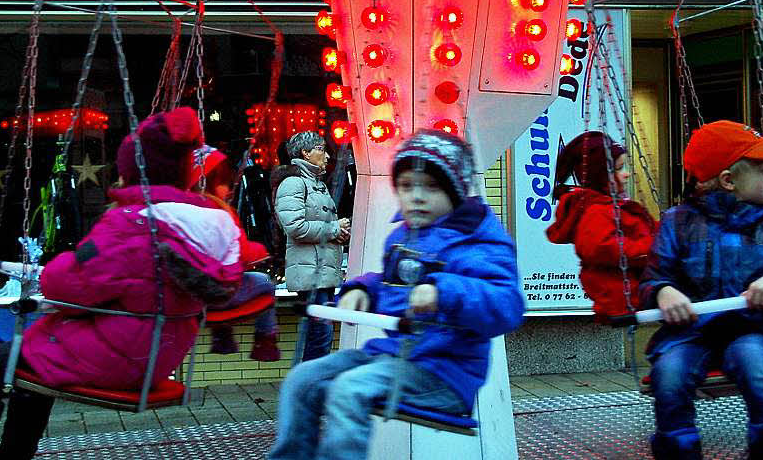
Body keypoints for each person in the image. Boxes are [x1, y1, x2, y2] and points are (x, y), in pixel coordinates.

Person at [0, 107, 242, 460]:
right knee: (27, 370)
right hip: (159, 355)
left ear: (133, 172)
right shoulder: (212, 225)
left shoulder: (132, 224)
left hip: (119, 358)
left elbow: (63, 285)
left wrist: (64, 263)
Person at [267, 129, 525, 460]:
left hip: (444, 372)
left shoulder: (477, 241)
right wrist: (361, 290)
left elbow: (507, 304)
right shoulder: (405, 236)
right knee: (302, 379)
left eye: (431, 187)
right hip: (393, 355)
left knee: (349, 389)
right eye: (406, 187)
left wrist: (445, 291)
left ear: (456, 190)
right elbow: (388, 282)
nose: (416, 197)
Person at [639, 120, 763, 460]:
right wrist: (663, 291)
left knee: (758, 369)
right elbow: (652, 278)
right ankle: (679, 450)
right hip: (692, 332)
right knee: (670, 376)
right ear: (728, 181)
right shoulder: (677, 222)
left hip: (755, 327)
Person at [545, 131, 657, 320]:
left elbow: (646, 229)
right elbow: (603, 247)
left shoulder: (616, 206)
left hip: (638, 285)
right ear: (602, 175)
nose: (627, 173)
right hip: (625, 293)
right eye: (620, 168)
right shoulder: (596, 212)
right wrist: (652, 247)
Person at [190, 145, 281, 360]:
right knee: (265, 282)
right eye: (224, 182)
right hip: (221, 292)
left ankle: (222, 335)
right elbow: (240, 250)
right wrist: (261, 252)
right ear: (212, 183)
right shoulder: (220, 213)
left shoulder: (183, 208)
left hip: (197, 294)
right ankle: (265, 340)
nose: (229, 188)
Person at [272, 130, 349, 361]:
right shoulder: (294, 184)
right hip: (311, 273)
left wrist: (340, 232)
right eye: (321, 150)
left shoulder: (316, 184)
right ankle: (309, 387)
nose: (327, 156)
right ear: (305, 153)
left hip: (321, 272)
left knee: (319, 335)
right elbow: (294, 227)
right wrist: (334, 229)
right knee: (319, 336)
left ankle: (308, 386)